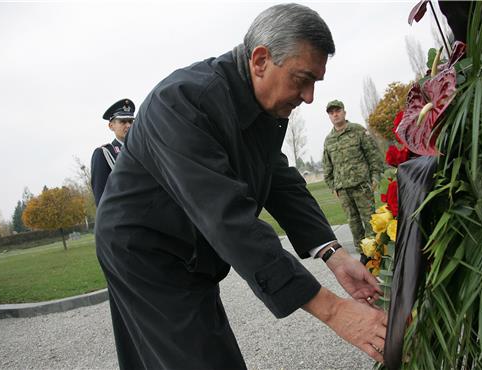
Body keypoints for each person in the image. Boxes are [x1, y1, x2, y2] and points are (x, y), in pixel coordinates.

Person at [95, 4, 387, 369]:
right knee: (201, 359)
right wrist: (334, 311)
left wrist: (335, 254)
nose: (309, 96)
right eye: (302, 79)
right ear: (261, 60)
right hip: (147, 253)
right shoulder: (182, 103)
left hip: (189, 250)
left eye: (316, 82)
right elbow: (227, 218)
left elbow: (278, 178)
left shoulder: (257, 106)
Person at [322, 100, 385, 263]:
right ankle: (364, 256)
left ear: (344, 112)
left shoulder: (358, 131)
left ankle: (377, 255)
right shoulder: (329, 140)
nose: (335, 114)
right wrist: (332, 186)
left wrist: (375, 178)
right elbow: (327, 167)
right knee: (354, 225)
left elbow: (373, 156)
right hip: (343, 190)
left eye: (337, 111)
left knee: (371, 221)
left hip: (362, 186)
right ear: (329, 116)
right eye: (331, 112)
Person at [90, 98, 135, 205]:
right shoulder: (104, 154)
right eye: (123, 122)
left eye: (130, 121)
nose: (128, 125)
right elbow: (101, 198)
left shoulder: (143, 150)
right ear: (111, 126)